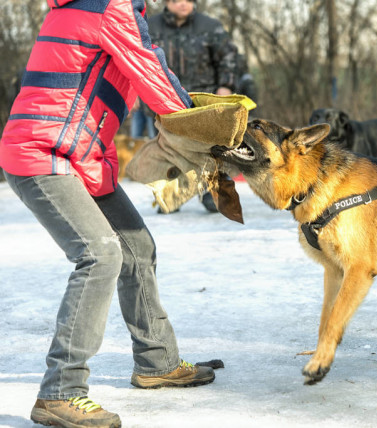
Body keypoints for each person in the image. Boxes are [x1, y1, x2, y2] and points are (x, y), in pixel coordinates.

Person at [0, 0, 217, 427]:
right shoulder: (110, 5)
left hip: (79, 156)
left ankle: (157, 362)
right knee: (100, 254)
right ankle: (59, 392)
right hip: (44, 155)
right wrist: (206, 127)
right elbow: (153, 75)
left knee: (135, 246)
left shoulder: (89, 6)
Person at [148, 0, 239, 213]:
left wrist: (226, 85)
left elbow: (229, 57)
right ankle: (170, 196)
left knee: (210, 149)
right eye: (177, 0)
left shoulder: (209, 26)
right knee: (167, 149)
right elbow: (137, 60)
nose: (183, 4)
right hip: (164, 99)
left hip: (202, 101)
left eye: (188, 0)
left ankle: (214, 194)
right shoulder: (150, 28)